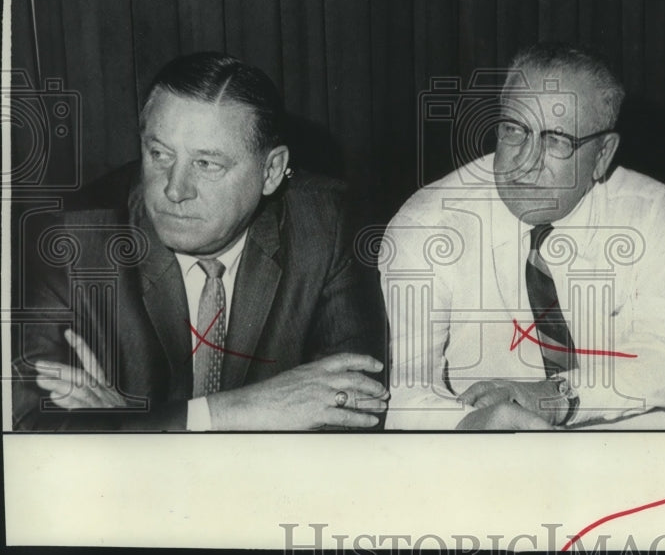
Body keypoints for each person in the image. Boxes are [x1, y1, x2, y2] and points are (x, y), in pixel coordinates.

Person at [12, 52, 388, 431]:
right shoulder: (71, 243)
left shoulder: (328, 225)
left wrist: (131, 428)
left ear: (271, 171)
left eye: (206, 164)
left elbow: (354, 415)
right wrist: (230, 412)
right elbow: (29, 428)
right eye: (159, 154)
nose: (174, 190)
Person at [379, 43, 665, 430]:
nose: (525, 160)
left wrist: (559, 397)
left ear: (603, 155)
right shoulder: (427, 226)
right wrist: (473, 424)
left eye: (556, 140)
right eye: (513, 129)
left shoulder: (646, 208)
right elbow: (404, 397)